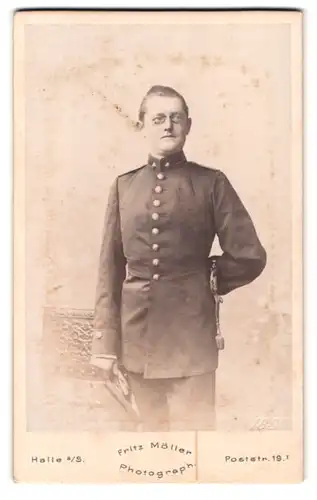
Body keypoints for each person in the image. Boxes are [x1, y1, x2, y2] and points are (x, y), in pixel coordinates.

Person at [89, 85, 267, 431]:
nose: (168, 125)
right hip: (136, 339)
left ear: (188, 125)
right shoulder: (124, 187)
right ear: (142, 126)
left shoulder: (211, 183)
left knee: (196, 445)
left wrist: (208, 277)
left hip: (191, 338)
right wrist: (105, 345)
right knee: (148, 444)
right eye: (158, 119)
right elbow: (109, 269)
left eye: (176, 118)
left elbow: (249, 256)